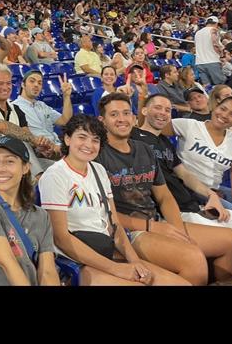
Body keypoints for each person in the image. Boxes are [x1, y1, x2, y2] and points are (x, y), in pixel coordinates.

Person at [39, 114, 189, 286]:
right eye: (82, 137)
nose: (89, 145)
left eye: (95, 140)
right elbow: (61, 238)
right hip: (78, 259)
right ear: (67, 139)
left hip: (106, 249)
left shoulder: (98, 170)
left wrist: (135, 262)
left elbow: (115, 225)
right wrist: (116, 269)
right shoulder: (55, 175)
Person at [97, 93, 208, 285]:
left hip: (156, 221)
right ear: (103, 121)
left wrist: (178, 231)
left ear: (133, 118)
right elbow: (106, 214)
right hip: (126, 231)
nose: (122, 119)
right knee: (194, 258)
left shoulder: (144, 149)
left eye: (126, 113)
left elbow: (164, 196)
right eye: (114, 115)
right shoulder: (97, 155)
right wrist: (151, 227)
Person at [133, 94, 232, 282]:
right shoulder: (133, 137)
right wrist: (140, 95)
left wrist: (210, 195)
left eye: (168, 110)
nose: (163, 113)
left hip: (196, 202)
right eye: (157, 107)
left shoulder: (165, 143)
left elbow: (184, 174)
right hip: (177, 210)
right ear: (144, 110)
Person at [0, 136, 60, 286]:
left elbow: (47, 271)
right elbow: (6, 262)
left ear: (25, 168)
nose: (0, 168)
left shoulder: (41, 216)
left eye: (9, 161)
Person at [169, 96, 232, 230]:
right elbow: (149, 128)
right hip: (185, 189)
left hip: (212, 194)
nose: (224, 115)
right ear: (215, 107)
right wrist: (142, 98)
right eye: (223, 109)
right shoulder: (190, 125)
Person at [0, 64, 58, 178]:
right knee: (17, 141)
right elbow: (1, 126)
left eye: (8, 83)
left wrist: (40, 148)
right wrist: (34, 139)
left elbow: (26, 135)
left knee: (56, 169)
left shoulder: (16, 109)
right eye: (0, 83)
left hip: (21, 159)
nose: (5, 87)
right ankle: (37, 181)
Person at [14, 69, 73, 151]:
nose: (36, 85)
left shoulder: (42, 105)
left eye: (39, 83)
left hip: (57, 146)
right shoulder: (14, 107)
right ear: (23, 85)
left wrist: (66, 96)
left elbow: (65, 120)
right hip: (39, 151)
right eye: (32, 81)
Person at [195, 16, 225, 87]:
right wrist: (222, 55)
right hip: (212, 60)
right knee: (220, 86)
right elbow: (215, 43)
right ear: (216, 23)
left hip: (200, 62)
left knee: (207, 87)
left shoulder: (198, 32)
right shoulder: (214, 30)